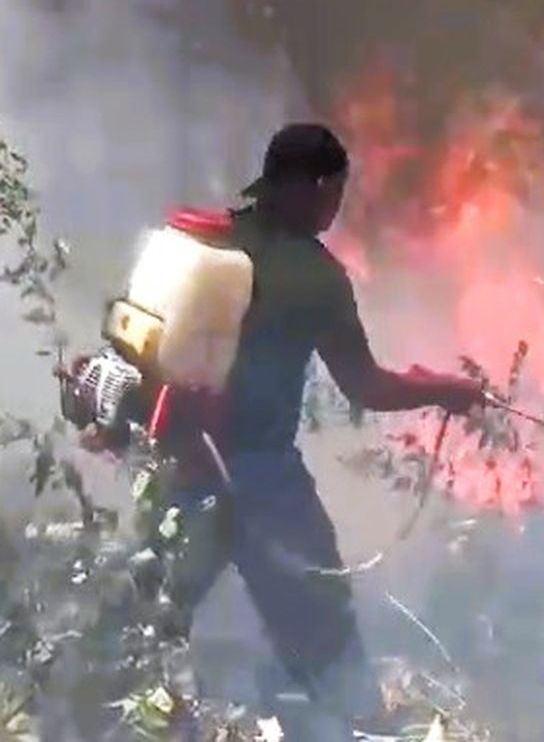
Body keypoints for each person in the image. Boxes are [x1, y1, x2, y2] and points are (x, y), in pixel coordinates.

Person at [147, 123, 485, 739]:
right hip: (260, 477)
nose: (337, 207)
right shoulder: (314, 275)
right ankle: (351, 721)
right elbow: (366, 388)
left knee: (154, 614)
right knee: (321, 622)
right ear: (319, 187)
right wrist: (445, 390)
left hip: (184, 461)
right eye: (335, 193)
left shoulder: (216, 240)